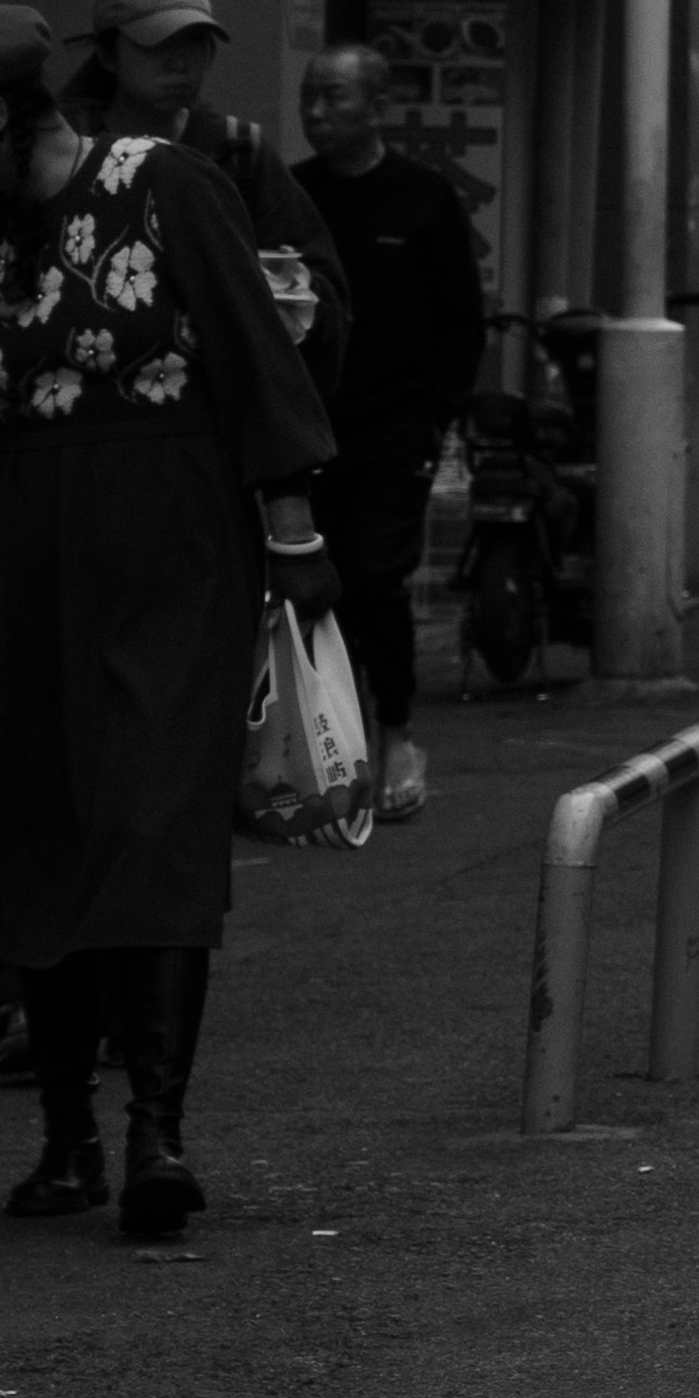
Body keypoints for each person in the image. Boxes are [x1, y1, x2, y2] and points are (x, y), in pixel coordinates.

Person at [0, 0, 340, 1242]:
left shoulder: (167, 185)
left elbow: (254, 352)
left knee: (146, 819)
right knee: (42, 823)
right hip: (23, 543)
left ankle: (157, 1130)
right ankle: (68, 1138)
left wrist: (291, 529)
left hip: (173, 529)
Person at [288, 46, 488, 824]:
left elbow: (459, 318)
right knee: (308, 587)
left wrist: (439, 410)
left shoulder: (423, 197)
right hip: (307, 426)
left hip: (396, 424)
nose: (315, 111)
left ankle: (398, 730)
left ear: (376, 105)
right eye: (309, 97)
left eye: (333, 97)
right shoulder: (293, 197)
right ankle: (320, 747)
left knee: (375, 576)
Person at [63, 0, 350, 383]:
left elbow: (325, 299)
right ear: (107, 53)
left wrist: (279, 291)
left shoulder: (237, 152)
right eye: (155, 44)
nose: (180, 62)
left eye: (196, 41)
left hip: (217, 410)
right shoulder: (69, 153)